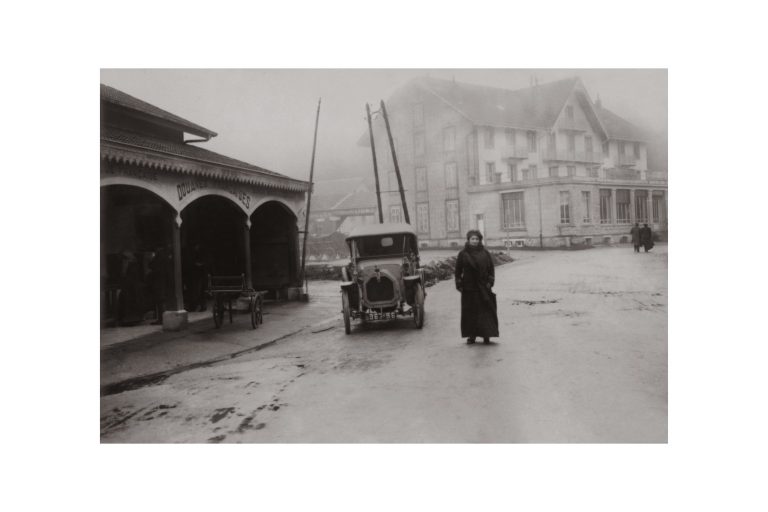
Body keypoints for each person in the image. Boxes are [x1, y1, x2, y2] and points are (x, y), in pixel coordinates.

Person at [454, 230, 499, 345]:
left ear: (480, 240)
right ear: (468, 240)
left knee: (485, 312)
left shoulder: (485, 253)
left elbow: (491, 269)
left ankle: (486, 335)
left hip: (483, 287)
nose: (475, 241)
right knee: (470, 312)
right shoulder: (463, 254)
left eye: (477, 239)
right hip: (469, 288)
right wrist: (459, 284)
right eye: (472, 239)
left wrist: (490, 282)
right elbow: (458, 270)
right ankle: (471, 336)